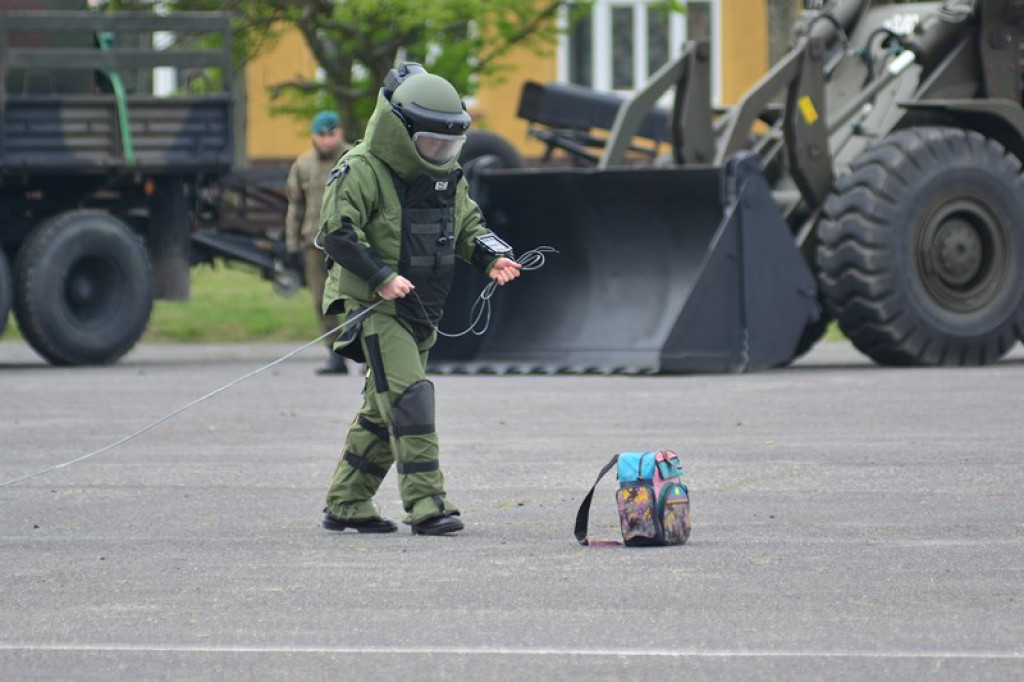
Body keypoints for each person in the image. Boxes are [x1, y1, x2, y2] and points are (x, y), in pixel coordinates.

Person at [317, 63, 521, 535]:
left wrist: (492, 257)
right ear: (401, 131)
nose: (440, 153)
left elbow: (468, 225)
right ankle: (428, 504)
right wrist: (381, 277)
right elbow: (336, 234)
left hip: (422, 306)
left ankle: (346, 502)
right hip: (376, 305)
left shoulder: (448, 174)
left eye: (448, 144)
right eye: (430, 143)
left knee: (382, 409)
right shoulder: (360, 168)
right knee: (410, 400)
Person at [285, 110, 352, 374]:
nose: (326, 141)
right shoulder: (303, 165)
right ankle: (335, 354)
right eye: (321, 135)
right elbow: (294, 207)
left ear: (340, 133)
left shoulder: (354, 158)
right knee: (322, 301)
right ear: (313, 136)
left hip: (349, 243)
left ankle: (368, 351)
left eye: (331, 134)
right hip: (315, 244)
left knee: (356, 298)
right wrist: (291, 245)